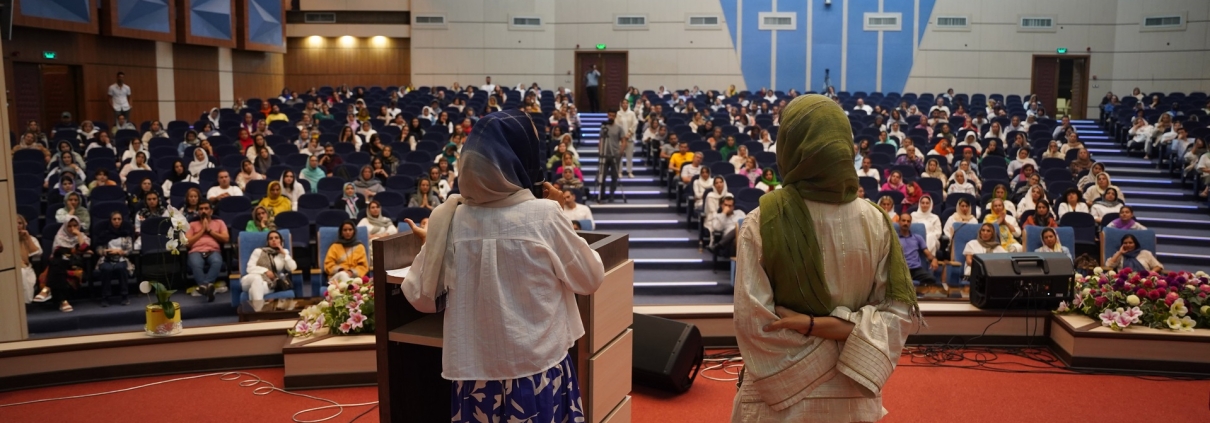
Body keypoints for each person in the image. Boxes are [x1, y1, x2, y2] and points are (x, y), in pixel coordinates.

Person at [401, 109, 605, 421]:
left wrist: (433, 245)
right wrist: (560, 215)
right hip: (537, 372)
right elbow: (589, 278)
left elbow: (420, 298)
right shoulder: (545, 215)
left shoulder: (450, 219)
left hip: (475, 379)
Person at [729, 95, 916, 423]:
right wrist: (845, 332)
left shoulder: (762, 221)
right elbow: (896, 318)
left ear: (788, 148)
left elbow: (754, 324)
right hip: (854, 395)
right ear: (845, 147)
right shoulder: (878, 221)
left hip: (777, 403)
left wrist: (811, 325)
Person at [40, 216, 90, 311]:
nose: (72, 228)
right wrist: (74, 250)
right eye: (69, 226)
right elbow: (58, 252)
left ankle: (47, 288)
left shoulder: (82, 236)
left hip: (74, 265)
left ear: (79, 226)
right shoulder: (60, 236)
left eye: (75, 225)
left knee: (56, 264)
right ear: (65, 227)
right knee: (59, 264)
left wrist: (78, 234)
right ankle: (63, 301)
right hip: (60, 264)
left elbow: (83, 248)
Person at [186, 200, 228, 302]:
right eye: (201, 209)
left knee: (216, 262)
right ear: (198, 212)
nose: (203, 211)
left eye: (206, 208)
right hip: (196, 250)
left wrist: (209, 230)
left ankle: (204, 286)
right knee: (196, 264)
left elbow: (226, 238)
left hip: (213, 250)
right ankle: (208, 288)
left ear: (211, 211)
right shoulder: (192, 224)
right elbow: (187, 242)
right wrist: (202, 231)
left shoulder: (219, 222)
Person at [240, 230, 297, 301]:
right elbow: (249, 268)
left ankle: (257, 308)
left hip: (270, 283)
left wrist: (284, 254)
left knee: (253, 291)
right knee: (257, 279)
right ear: (268, 242)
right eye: (271, 238)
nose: (274, 240)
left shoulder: (284, 254)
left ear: (281, 241)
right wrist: (266, 271)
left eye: (276, 238)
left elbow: (292, 267)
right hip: (250, 279)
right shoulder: (258, 251)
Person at [95, 211, 134, 307]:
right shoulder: (104, 234)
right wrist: (105, 251)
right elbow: (98, 248)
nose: (117, 221)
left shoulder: (126, 234)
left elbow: (129, 250)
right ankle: (105, 297)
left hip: (121, 258)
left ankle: (124, 296)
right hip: (106, 259)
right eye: (114, 219)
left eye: (119, 219)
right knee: (106, 268)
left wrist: (119, 252)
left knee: (121, 268)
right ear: (110, 220)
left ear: (122, 221)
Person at [897, 213, 942, 290]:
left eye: (908, 221)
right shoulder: (894, 238)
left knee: (931, 279)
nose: (906, 223)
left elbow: (927, 253)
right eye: (903, 221)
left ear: (910, 223)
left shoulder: (918, 238)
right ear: (899, 222)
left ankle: (919, 293)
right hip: (900, 269)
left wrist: (934, 259)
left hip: (916, 269)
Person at [598, 110, 624, 202]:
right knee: (602, 176)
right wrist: (600, 151)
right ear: (607, 115)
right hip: (604, 154)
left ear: (615, 116)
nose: (611, 117)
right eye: (610, 115)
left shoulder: (619, 128)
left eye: (613, 115)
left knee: (614, 176)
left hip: (615, 154)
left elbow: (623, 140)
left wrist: (620, 152)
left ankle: (612, 194)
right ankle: (602, 194)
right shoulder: (604, 127)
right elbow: (600, 140)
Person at [16, 216, 43, 304]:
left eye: (20, 223)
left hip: (26, 267)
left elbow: (38, 253)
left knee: (23, 272)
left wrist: (27, 238)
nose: (18, 225)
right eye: (15, 223)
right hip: (11, 269)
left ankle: (25, 304)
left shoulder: (30, 238)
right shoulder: (6, 239)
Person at [616, 101, 638, 177]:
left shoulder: (632, 113)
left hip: (630, 137)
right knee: (620, 155)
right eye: (623, 103)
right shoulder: (618, 114)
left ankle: (629, 172)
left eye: (626, 103)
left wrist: (629, 133)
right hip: (620, 138)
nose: (625, 104)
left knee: (629, 156)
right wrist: (622, 136)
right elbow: (616, 125)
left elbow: (635, 123)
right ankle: (619, 171)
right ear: (621, 104)